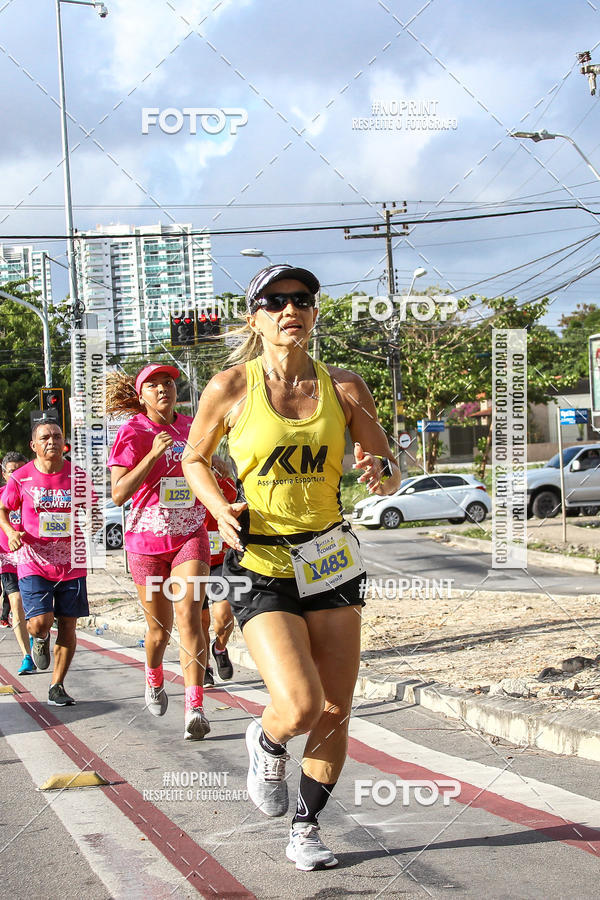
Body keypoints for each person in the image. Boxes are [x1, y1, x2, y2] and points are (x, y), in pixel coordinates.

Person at [183, 264, 400, 870]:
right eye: (275, 301)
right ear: (254, 317)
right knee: (301, 704)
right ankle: (268, 738)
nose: (290, 310)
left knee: (335, 708)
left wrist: (377, 469)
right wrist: (218, 507)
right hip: (261, 561)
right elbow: (193, 460)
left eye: (302, 299)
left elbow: (385, 465)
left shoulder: (346, 386)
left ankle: (306, 828)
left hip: (330, 559)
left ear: (313, 311)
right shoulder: (230, 386)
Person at [106, 363, 211, 740]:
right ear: (141, 396)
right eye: (153, 384)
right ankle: (153, 676)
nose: (163, 388)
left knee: (190, 617)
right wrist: (151, 456)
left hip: (189, 533)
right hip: (146, 542)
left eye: (167, 382)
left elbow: (206, 468)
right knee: (159, 630)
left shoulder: (193, 426)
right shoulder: (132, 432)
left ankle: (194, 706)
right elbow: (119, 494)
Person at [0, 421, 90, 705]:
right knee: (40, 622)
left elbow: (93, 509)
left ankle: (57, 686)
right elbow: (2, 508)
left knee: (68, 625)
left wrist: (90, 525)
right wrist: (11, 531)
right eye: (45, 437)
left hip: (71, 562)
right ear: (34, 445)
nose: (52, 441)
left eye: (57, 436)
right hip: (34, 560)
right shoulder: (21, 477)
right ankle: (39, 639)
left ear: (64, 442)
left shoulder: (77, 475)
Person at [202, 455, 237, 686]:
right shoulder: (181, 474)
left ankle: (220, 647)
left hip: (220, 559)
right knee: (198, 620)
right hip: (190, 556)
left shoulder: (222, 475)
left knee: (223, 616)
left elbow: (235, 503)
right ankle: (203, 665)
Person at [0, 452, 35, 674]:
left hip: (34, 557)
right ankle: (26, 656)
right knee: (16, 601)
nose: (16, 475)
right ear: (4, 474)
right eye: (12, 471)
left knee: (37, 610)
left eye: (21, 470)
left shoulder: (36, 492)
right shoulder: (1, 496)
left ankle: (37, 636)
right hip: (8, 558)